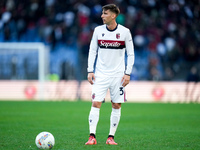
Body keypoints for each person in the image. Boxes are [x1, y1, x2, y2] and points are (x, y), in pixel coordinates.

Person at [85, 4, 135, 145]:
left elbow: (130, 54)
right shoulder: (97, 31)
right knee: (95, 103)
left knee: (116, 105)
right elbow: (92, 51)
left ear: (113, 16)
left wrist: (127, 73)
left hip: (118, 76)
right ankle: (92, 136)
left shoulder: (125, 32)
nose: (102, 16)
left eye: (105, 13)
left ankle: (110, 137)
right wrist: (90, 70)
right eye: (102, 13)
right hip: (100, 75)